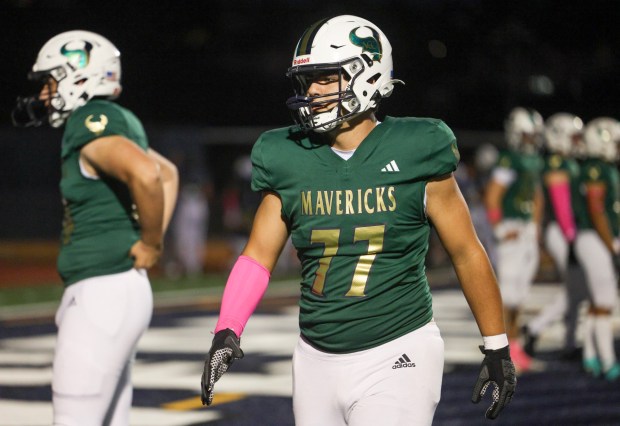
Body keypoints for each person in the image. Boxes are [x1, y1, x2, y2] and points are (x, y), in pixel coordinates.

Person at [200, 15, 515, 425]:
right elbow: (259, 254)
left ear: (366, 73)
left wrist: (496, 344)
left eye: (325, 78)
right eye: (307, 81)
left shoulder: (417, 147)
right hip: (314, 355)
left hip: (398, 348)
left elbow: (466, 251)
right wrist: (228, 329)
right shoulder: (288, 155)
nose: (311, 91)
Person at [12, 30, 179, 425]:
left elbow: (148, 175)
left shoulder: (89, 120)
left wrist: (152, 244)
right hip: (117, 289)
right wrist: (149, 242)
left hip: (103, 291)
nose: (44, 95)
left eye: (52, 82)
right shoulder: (118, 121)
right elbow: (168, 173)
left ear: (77, 77)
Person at [483, 107, 545, 372]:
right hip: (510, 227)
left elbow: (538, 195)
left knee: (519, 296)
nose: (532, 140)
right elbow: (493, 195)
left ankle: (515, 347)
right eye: (528, 135)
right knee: (507, 296)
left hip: (526, 229)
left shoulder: (533, 160)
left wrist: (535, 225)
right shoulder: (509, 160)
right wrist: (498, 229)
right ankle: (502, 353)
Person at [522, 113, 585, 358]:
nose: (578, 142)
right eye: (574, 137)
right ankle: (536, 329)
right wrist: (571, 236)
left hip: (565, 230)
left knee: (577, 289)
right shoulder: (557, 163)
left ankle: (566, 341)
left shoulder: (567, 162)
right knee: (577, 288)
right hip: (561, 229)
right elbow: (561, 204)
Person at [575, 117, 620, 381]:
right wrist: (611, 244)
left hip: (597, 238)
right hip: (594, 238)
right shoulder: (595, 168)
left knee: (597, 302)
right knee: (604, 303)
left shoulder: (604, 167)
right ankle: (608, 361)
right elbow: (596, 208)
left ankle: (590, 356)